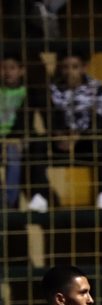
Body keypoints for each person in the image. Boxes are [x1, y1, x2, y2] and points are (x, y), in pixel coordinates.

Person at [29, 48, 102, 211]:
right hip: (62, 141)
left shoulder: (97, 87)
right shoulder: (54, 89)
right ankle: (40, 196)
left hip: (87, 140)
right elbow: (51, 116)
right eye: (65, 67)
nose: (70, 72)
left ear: (83, 68)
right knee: (38, 145)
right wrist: (60, 135)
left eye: (74, 67)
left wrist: (80, 136)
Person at [1, 52, 33, 209]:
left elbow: (27, 121)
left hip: (14, 139)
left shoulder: (27, 93)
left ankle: (8, 203)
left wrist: (19, 137)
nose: (7, 72)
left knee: (13, 156)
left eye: (12, 68)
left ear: (22, 70)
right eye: (3, 68)